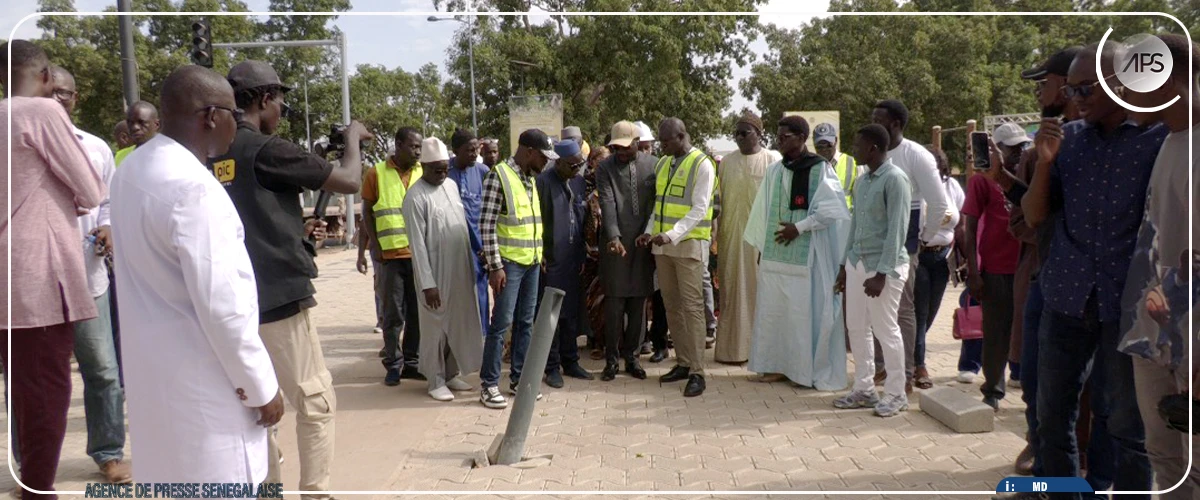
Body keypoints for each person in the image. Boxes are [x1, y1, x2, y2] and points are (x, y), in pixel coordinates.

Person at [111, 64, 284, 487]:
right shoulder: (194, 189)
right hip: (208, 403)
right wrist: (261, 388)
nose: (236, 126)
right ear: (211, 117)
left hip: (157, 393)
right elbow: (223, 308)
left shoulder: (131, 172)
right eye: (233, 115)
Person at [208, 60, 370, 498]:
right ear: (263, 99)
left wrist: (294, 235)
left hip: (228, 303)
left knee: (260, 405)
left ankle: (266, 489)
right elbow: (350, 180)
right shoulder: (268, 149)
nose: (281, 110)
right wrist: (352, 138)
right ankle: (316, 491)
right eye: (280, 101)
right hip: (278, 300)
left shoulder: (212, 152)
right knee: (315, 401)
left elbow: (244, 219)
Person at [1020, 43, 1166, 499]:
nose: (1076, 98)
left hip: (1127, 304)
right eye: (1071, 89)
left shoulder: (1158, 139)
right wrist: (1043, 165)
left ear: (1120, 85)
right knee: (1052, 416)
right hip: (1066, 296)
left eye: (1086, 89)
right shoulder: (1068, 140)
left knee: (1127, 423)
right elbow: (1034, 216)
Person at [0, 40, 107, 499]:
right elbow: (91, 187)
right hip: (39, 270)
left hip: (9, 270)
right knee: (45, 391)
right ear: (45, 77)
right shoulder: (40, 113)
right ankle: (37, 489)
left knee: (22, 391)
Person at [1117, 34, 1200, 500]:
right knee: (1166, 459)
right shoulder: (1170, 141)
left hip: (1195, 341)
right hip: (1159, 332)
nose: (1123, 95)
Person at [49, 65, 131, 484]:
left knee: (102, 370)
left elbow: (108, 202)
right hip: (33, 286)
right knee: (38, 376)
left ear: (75, 98)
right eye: (50, 91)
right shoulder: (11, 144)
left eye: (64, 93)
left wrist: (108, 226)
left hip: (88, 278)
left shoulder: (95, 147)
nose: (56, 99)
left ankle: (108, 452)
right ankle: (32, 461)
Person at [744, 115, 849, 388]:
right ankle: (779, 365)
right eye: (777, 137)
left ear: (802, 138)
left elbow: (831, 210)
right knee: (777, 312)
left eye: (785, 136)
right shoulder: (775, 171)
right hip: (776, 259)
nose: (779, 141)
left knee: (805, 313)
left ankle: (806, 370)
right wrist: (762, 247)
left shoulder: (820, 169)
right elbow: (763, 212)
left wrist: (799, 228)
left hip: (810, 259)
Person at [833, 124, 912, 418]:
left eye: (858, 145)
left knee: (885, 329)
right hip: (857, 263)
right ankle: (864, 389)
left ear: (874, 148)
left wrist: (882, 274)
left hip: (884, 267)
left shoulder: (896, 180)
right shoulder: (863, 181)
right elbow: (854, 226)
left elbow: (897, 231)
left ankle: (896, 393)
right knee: (856, 327)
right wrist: (844, 265)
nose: (854, 150)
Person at [871, 99, 949, 394]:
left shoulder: (916, 155)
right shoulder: (873, 153)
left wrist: (923, 240)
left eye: (879, 119)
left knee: (902, 309)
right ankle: (883, 368)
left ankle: (903, 374)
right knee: (876, 309)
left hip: (905, 245)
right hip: (873, 243)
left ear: (896, 124)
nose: (874, 123)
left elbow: (939, 203)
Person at [636, 118, 716, 398]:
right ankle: (682, 363)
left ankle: (697, 371)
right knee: (672, 307)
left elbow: (700, 208)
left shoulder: (702, 164)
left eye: (666, 141)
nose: (662, 145)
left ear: (681, 136)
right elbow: (659, 205)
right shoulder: (663, 164)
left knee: (693, 308)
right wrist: (649, 232)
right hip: (663, 248)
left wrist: (671, 234)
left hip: (688, 246)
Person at [479, 129, 558, 408]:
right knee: (501, 324)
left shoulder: (528, 178)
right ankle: (488, 384)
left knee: (526, 323)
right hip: (508, 266)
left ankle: (519, 379)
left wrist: (539, 253)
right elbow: (486, 225)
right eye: (543, 156)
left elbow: (530, 222)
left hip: (532, 263)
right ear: (528, 152)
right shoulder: (498, 176)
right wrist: (495, 266)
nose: (547, 162)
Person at [402, 137, 485, 401]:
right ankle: (434, 380)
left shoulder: (450, 185)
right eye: (436, 169)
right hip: (434, 274)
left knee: (457, 323)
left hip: (460, 267)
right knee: (435, 327)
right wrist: (428, 284)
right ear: (424, 166)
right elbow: (417, 244)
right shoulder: (415, 197)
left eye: (444, 169)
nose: (441, 174)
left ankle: (451, 374)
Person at [961, 123, 1025, 411]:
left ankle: (1025, 386)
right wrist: (973, 271)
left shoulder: (1027, 174)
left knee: (1026, 332)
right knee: (996, 334)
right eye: (1012, 147)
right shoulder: (981, 181)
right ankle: (993, 391)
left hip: (1027, 267)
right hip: (996, 268)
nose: (1018, 152)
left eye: (1021, 146)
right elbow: (969, 225)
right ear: (997, 149)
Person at [714, 112, 780, 364]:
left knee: (758, 293)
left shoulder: (772, 160)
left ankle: (760, 352)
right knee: (731, 292)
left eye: (745, 132)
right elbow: (719, 203)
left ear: (759, 134)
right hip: (731, 237)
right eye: (736, 134)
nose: (739, 138)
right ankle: (731, 351)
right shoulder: (726, 162)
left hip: (761, 240)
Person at [362, 127, 427, 385]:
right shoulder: (376, 172)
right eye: (413, 146)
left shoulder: (423, 172)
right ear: (398, 145)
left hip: (418, 256)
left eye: (420, 147)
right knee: (392, 314)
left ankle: (412, 362)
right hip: (389, 257)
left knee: (416, 313)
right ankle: (393, 363)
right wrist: (374, 247)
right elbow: (367, 212)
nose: (418, 152)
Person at [595, 121, 658, 380]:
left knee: (638, 303)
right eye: (616, 148)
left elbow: (656, 203)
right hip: (614, 246)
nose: (621, 153)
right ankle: (611, 360)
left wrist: (649, 232)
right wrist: (613, 236)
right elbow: (607, 201)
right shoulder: (604, 168)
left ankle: (632, 357)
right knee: (615, 303)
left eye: (625, 147)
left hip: (643, 243)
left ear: (637, 142)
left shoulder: (653, 165)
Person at [536, 140, 595, 387]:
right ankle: (551, 367)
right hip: (551, 261)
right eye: (571, 165)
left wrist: (582, 255)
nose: (576, 170)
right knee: (552, 315)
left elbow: (581, 222)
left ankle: (571, 361)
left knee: (571, 314)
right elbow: (537, 222)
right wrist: (540, 255)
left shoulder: (579, 182)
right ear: (557, 162)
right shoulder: (543, 183)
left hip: (573, 259)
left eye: (579, 165)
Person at [911, 146, 963, 391]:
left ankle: (909, 352)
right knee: (920, 314)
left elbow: (961, 222)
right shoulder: (915, 189)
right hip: (920, 256)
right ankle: (919, 365)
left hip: (943, 258)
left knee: (931, 313)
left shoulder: (951, 187)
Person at [447, 128, 491, 336]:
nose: (474, 154)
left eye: (476, 149)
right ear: (456, 151)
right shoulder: (445, 174)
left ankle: (482, 335)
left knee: (480, 292)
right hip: (453, 244)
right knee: (457, 294)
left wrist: (486, 247)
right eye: (469, 150)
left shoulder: (483, 172)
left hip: (479, 247)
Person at [583, 145, 610, 360]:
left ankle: (610, 341)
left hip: (611, 253)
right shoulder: (586, 190)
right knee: (594, 300)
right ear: (591, 162)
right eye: (598, 161)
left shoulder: (613, 185)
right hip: (591, 255)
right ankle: (596, 341)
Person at [813, 122, 862, 209]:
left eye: (828, 145)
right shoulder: (811, 165)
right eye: (819, 146)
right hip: (820, 219)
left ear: (835, 141)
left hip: (846, 218)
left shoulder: (852, 163)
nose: (824, 149)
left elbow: (862, 196)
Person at [113, 100, 159, 166]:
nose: (135, 127)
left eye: (141, 122)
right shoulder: (120, 156)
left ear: (156, 124)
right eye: (130, 123)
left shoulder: (171, 153)